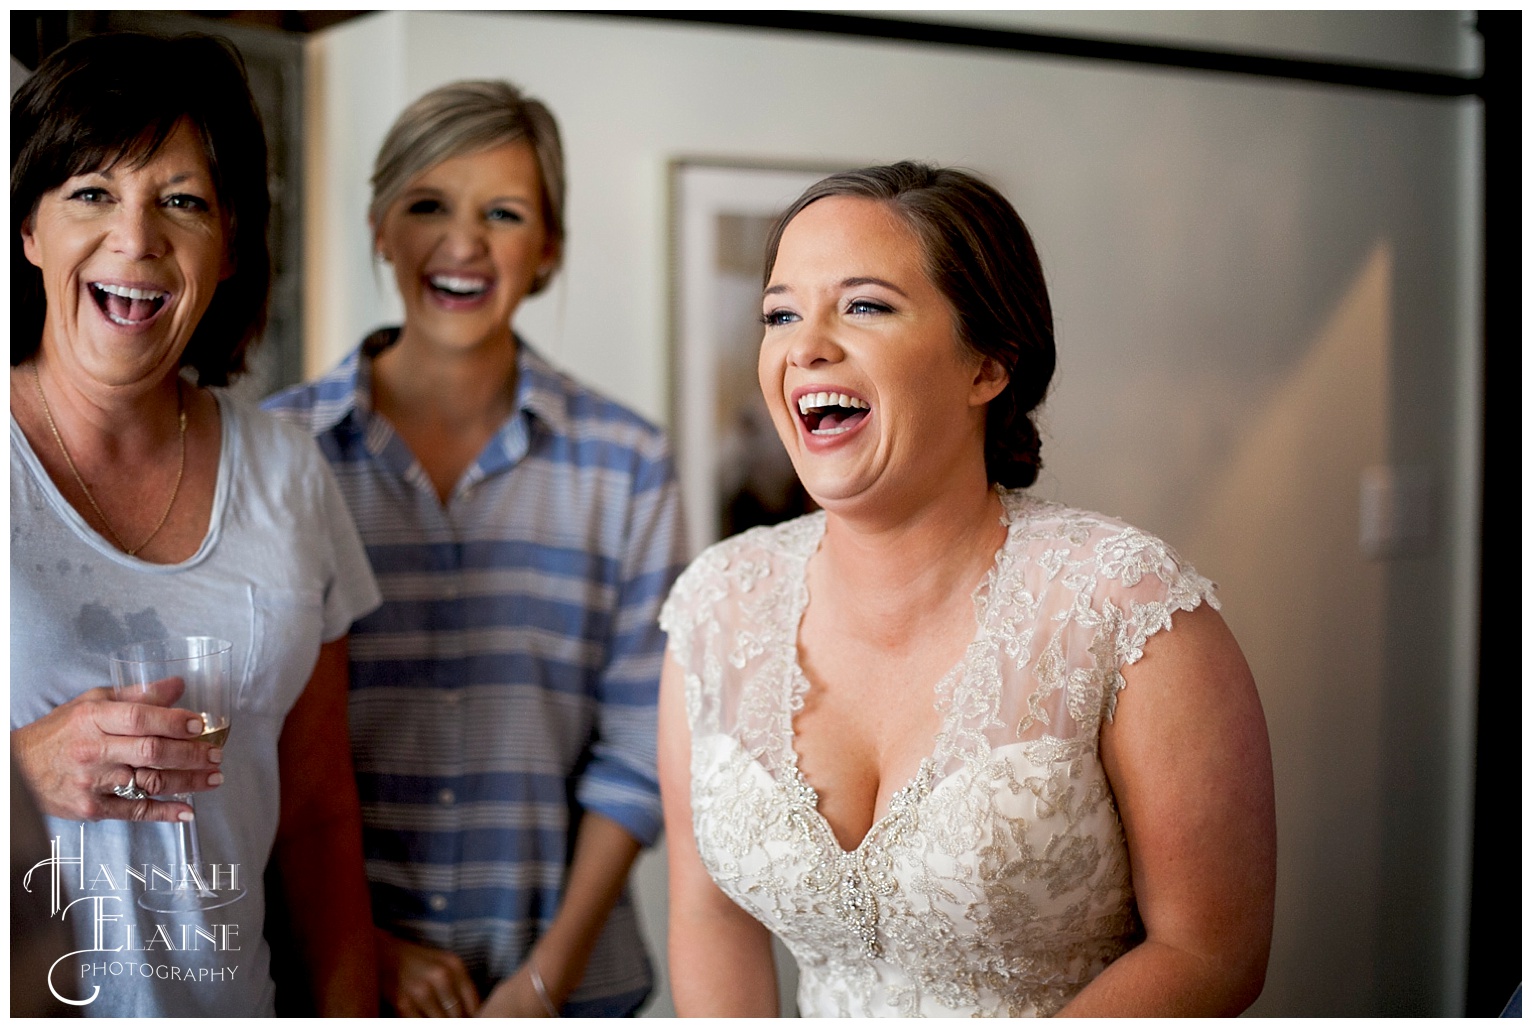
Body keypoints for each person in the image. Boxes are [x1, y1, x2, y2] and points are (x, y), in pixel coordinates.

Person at [658, 162, 1277, 1016]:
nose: (806, 347)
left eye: (865, 305)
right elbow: (707, 916)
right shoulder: (715, 605)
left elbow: (1209, 954)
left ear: (988, 365)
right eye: (780, 314)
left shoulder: (1129, 608)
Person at [265, 80, 686, 1017]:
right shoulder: (272, 453)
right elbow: (253, 747)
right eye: (427, 207)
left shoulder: (628, 463)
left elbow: (642, 750)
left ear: (549, 250)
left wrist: (543, 982)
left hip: (570, 991)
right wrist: (362, 946)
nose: (463, 245)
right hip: (329, 982)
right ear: (380, 228)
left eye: (504, 212)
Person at [9, 32, 381, 1016]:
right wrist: (20, 771)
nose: (136, 239)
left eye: (180, 200)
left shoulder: (290, 471)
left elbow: (314, 816)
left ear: (227, 248)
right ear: (28, 229)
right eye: (91, 190)